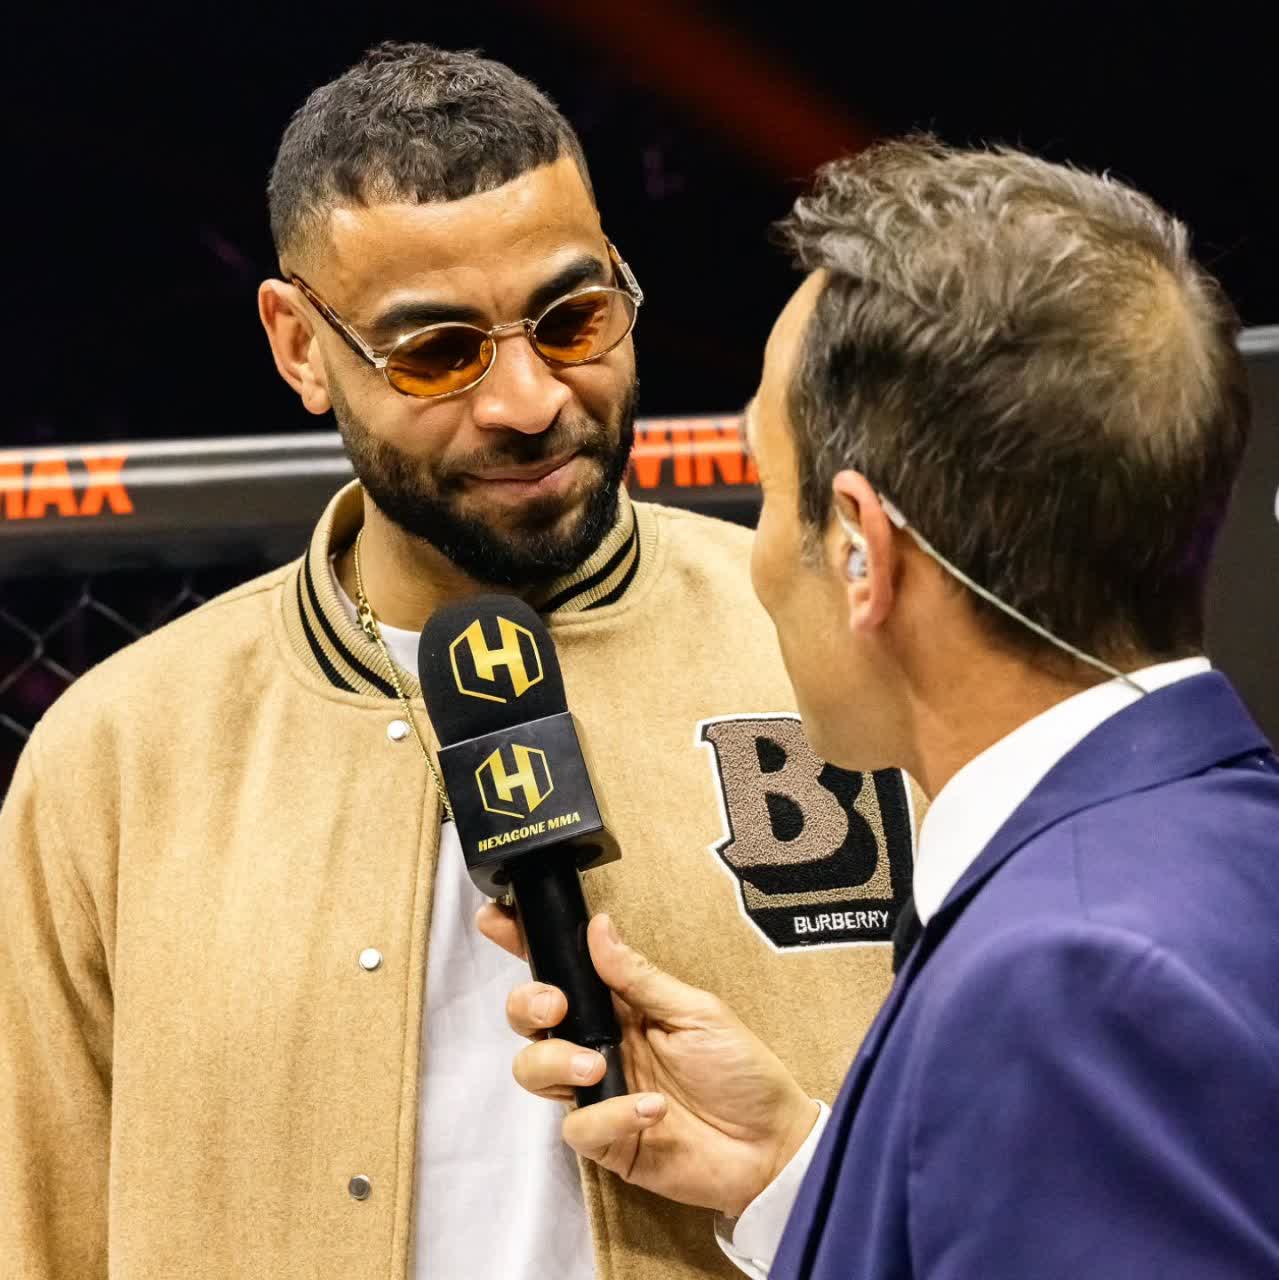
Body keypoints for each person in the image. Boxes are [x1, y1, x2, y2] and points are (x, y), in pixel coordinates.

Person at [0, 43, 922, 1280]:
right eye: (438, 350)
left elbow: (1016, 1162)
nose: (528, 400)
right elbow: (39, 1231)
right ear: (298, 345)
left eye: (574, 319)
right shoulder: (119, 756)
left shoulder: (849, 647)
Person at [483, 138, 1279, 1277]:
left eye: (767, 487)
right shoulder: (1220, 845)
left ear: (861, 551)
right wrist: (797, 1173)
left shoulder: (1066, 976)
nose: (758, 557)